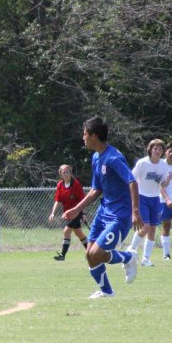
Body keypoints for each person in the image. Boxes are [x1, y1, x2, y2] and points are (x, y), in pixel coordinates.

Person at [63, 117, 142, 299]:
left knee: (97, 253)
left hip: (119, 216)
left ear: (94, 136)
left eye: (85, 134)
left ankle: (128, 257)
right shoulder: (96, 157)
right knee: (90, 255)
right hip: (103, 212)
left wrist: (135, 211)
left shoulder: (113, 158)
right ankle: (107, 292)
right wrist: (76, 209)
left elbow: (132, 181)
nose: (83, 137)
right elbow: (96, 189)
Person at [127, 139, 171, 266]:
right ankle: (131, 249)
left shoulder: (163, 165)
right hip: (142, 197)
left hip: (155, 199)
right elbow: (131, 179)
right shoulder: (142, 163)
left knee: (152, 229)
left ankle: (146, 259)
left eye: (160, 149)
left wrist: (167, 181)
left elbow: (163, 183)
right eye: (155, 148)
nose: (157, 151)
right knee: (144, 227)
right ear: (150, 150)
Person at [48, 164, 88, 260]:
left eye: (68, 172)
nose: (66, 174)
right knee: (79, 233)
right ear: (61, 174)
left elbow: (83, 200)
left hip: (76, 213)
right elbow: (58, 200)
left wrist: (83, 214)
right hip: (68, 214)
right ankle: (92, 251)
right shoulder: (60, 185)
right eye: (64, 172)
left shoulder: (76, 184)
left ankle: (62, 255)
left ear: (71, 173)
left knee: (66, 231)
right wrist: (53, 213)